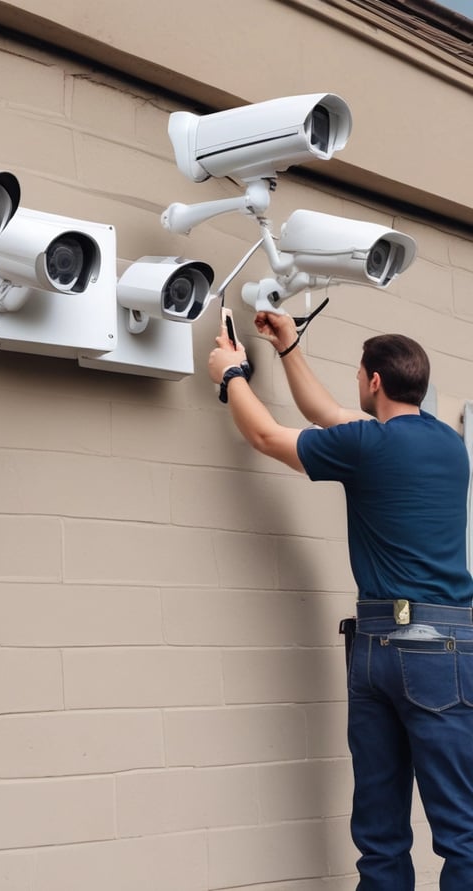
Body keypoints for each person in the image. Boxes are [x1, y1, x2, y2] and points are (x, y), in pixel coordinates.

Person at [208, 309, 473, 890]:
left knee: (395, 835)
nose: (355, 382)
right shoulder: (448, 445)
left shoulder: (367, 445)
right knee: (452, 831)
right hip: (431, 649)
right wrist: (289, 347)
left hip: (397, 649)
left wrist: (230, 375)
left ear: (374, 381)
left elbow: (266, 436)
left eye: (358, 374)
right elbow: (326, 414)